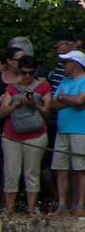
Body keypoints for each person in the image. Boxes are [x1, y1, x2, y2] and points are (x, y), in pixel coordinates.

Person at [0, 60, 51, 215]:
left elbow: (48, 111)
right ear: (19, 71)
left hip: (36, 134)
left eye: (31, 73)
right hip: (12, 135)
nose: (27, 76)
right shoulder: (12, 88)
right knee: (11, 172)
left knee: (32, 172)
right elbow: (2, 112)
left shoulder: (43, 86)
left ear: (35, 72)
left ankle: (32, 208)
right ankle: (9, 209)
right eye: (24, 72)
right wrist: (17, 104)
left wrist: (35, 105)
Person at [49, 50, 85, 215]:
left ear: (75, 64)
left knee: (80, 169)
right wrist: (71, 100)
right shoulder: (63, 81)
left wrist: (64, 99)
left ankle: (80, 205)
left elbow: (80, 100)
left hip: (81, 131)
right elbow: (52, 104)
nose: (62, 66)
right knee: (60, 168)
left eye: (65, 62)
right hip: (62, 130)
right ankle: (62, 205)